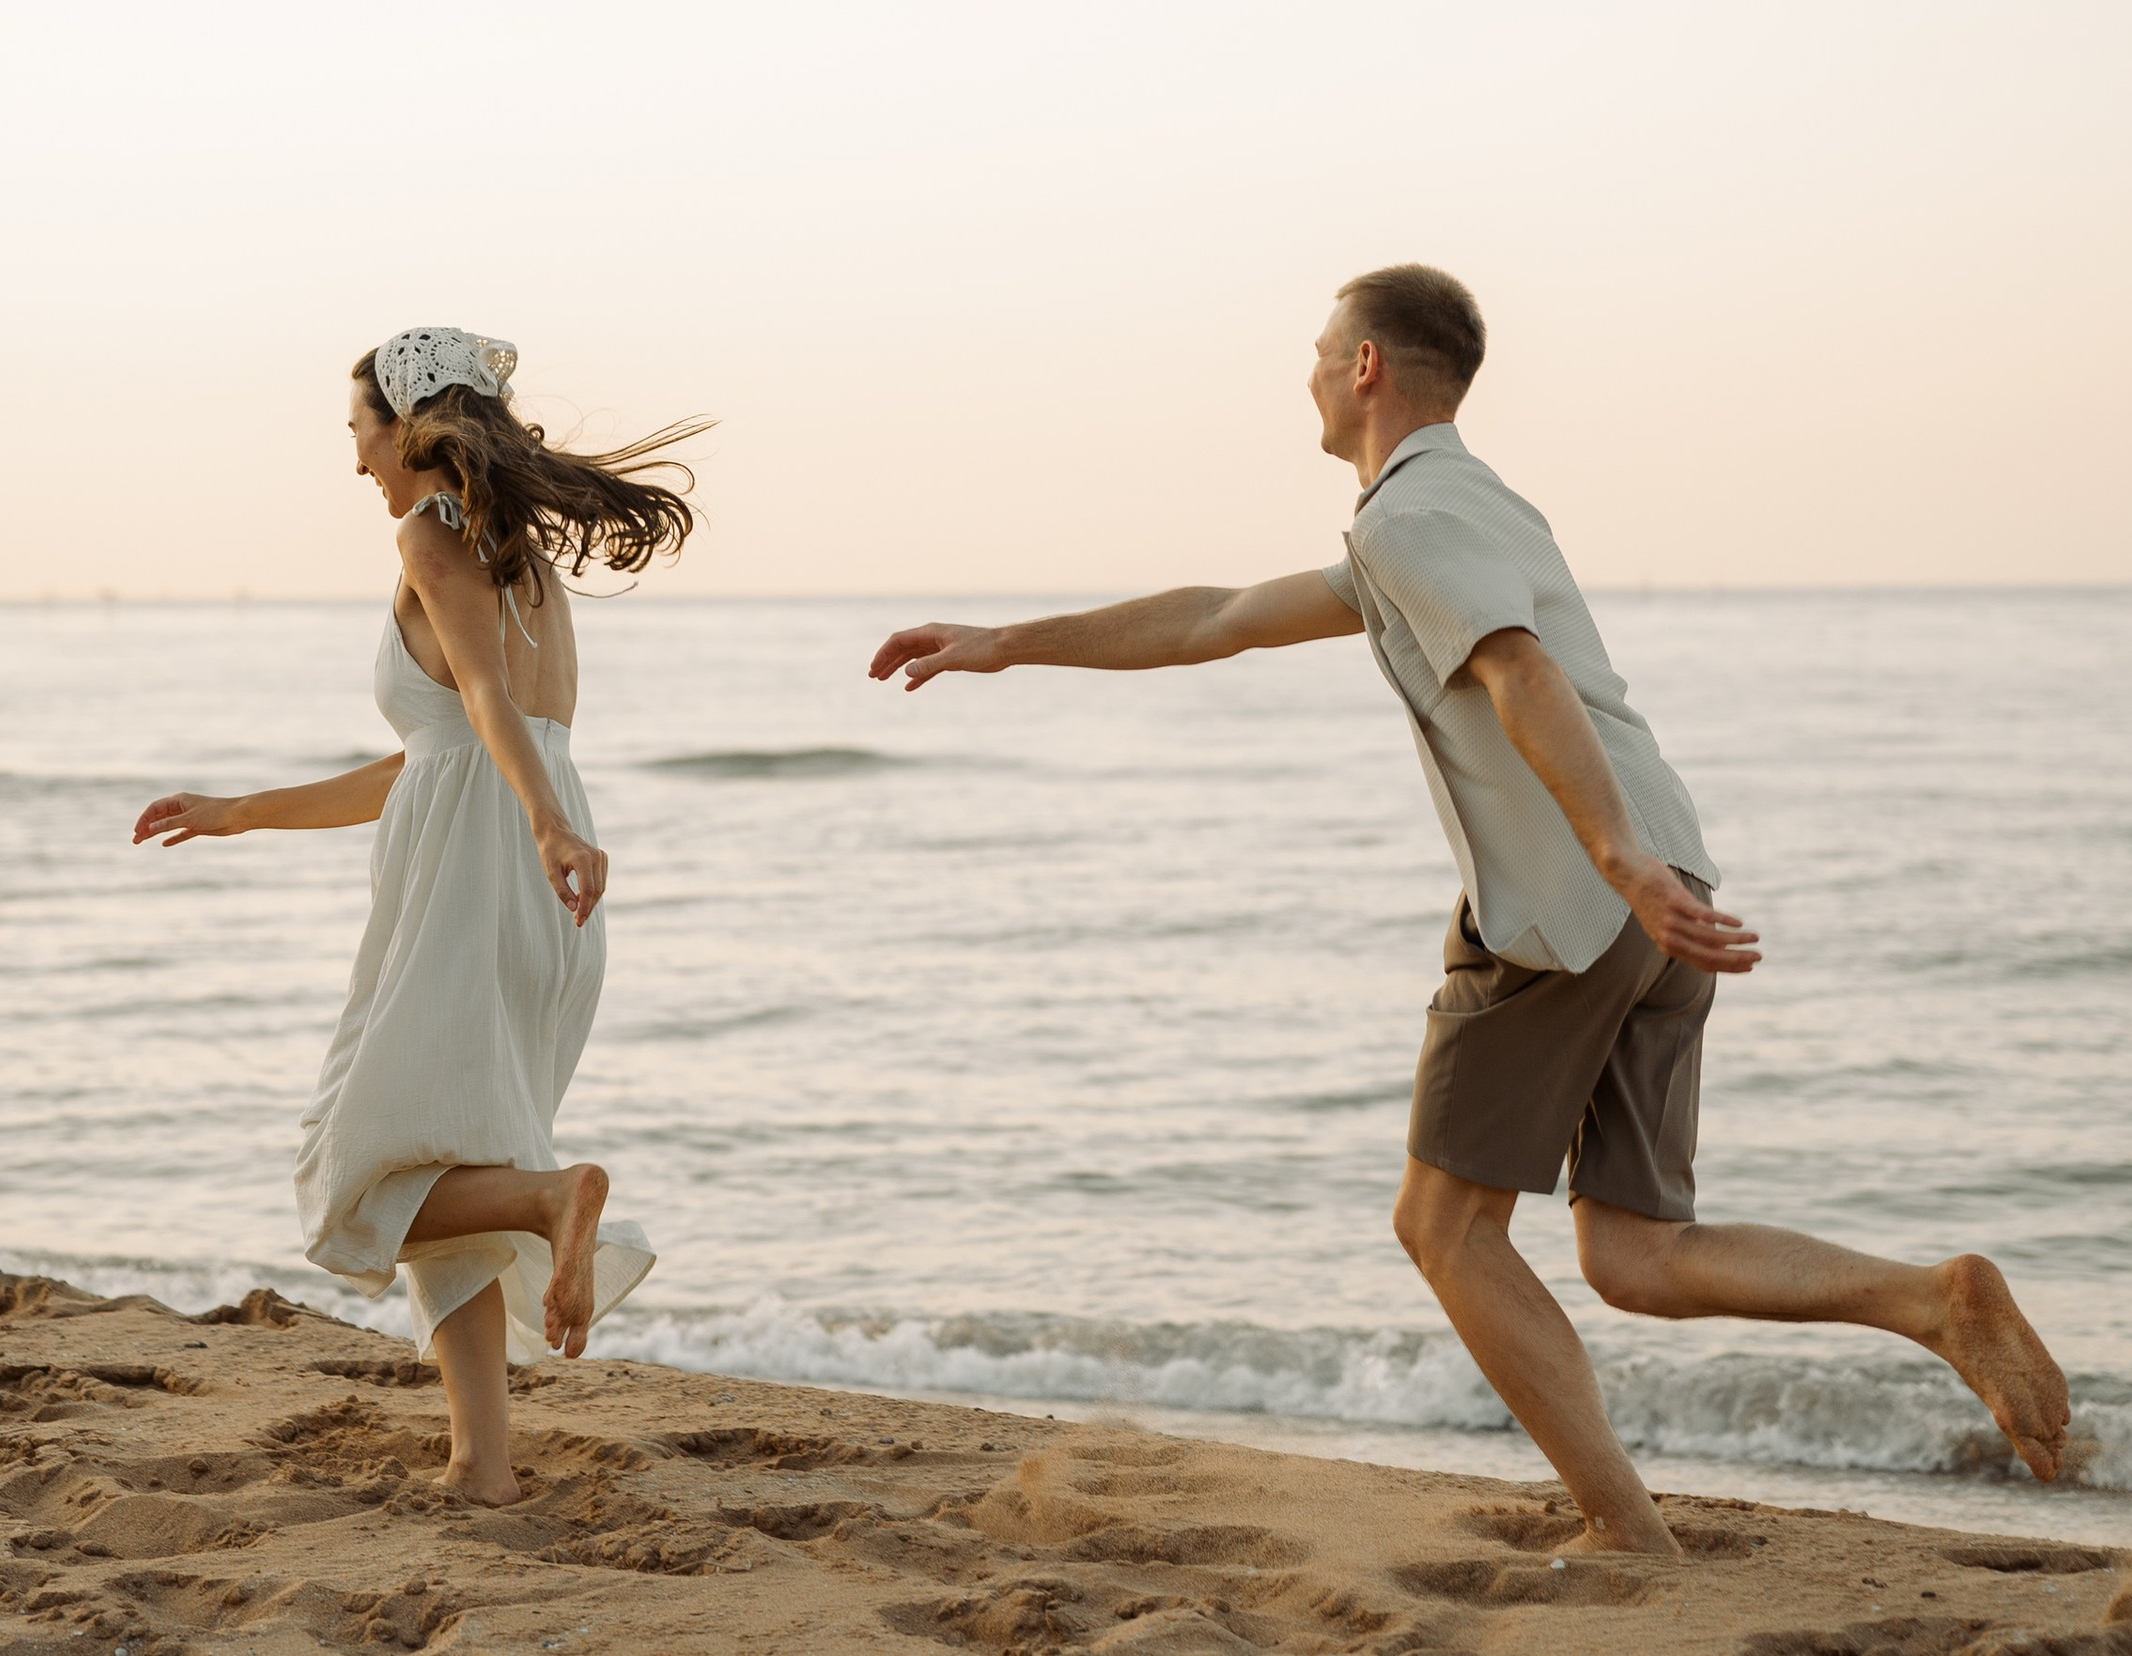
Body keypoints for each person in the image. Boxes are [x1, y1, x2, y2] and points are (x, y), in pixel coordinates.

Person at [869, 264, 2069, 1556]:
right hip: (1665, 887)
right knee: (1636, 1256)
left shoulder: (1413, 525)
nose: (1311, 372)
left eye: (1322, 349)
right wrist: (1005, 642)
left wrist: (1614, 863)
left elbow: (1518, 670)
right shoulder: (1460, 509)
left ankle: (1626, 1534)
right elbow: (1211, 619)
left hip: (1581, 899)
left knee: (1441, 1227)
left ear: (1369, 365)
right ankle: (1933, 1302)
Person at [134, 326, 700, 1504]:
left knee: (356, 1168)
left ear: (410, 425)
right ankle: (480, 1463)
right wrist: (243, 813)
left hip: (484, 875)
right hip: (531, 888)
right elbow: (438, 751)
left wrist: (545, 826)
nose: (355, 464)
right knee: (450, 1173)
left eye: (359, 434)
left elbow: (485, 709)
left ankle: (555, 1200)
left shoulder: (427, 536)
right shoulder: (526, 563)